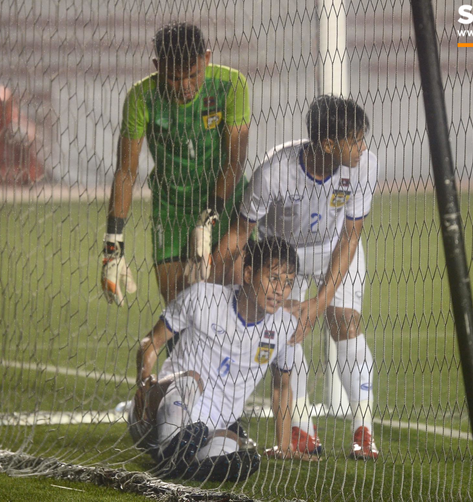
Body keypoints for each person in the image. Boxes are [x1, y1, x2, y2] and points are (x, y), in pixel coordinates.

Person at [213, 95, 380, 460]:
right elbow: (241, 233)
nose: (362, 147)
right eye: (355, 139)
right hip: (282, 254)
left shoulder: (365, 164)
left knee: (345, 321)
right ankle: (302, 427)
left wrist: (319, 302)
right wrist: (215, 274)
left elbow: (351, 235)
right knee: (287, 329)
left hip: (336, 248)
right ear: (327, 143)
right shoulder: (273, 173)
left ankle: (363, 429)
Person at [127, 238, 318, 481]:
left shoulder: (285, 327)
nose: (281, 290)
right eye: (273, 278)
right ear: (248, 274)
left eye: (288, 282)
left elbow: (282, 386)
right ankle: (171, 451)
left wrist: (283, 445)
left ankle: (186, 464)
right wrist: (144, 382)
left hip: (203, 431)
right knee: (191, 381)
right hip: (157, 412)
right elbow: (151, 342)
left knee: (232, 444)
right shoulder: (204, 298)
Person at [101, 22, 250, 306]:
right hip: (172, 208)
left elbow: (235, 161)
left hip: (224, 201)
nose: (185, 87)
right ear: (157, 67)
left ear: (206, 59)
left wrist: (208, 220)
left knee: (231, 299)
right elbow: (126, 172)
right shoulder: (140, 98)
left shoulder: (231, 86)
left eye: (193, 75)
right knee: (177, 304)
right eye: (173, 78)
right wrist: (112, 245)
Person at [0, 85, 45, 188]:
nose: (2, 107)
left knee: (31, 147)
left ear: (11, 103)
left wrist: (20, 135)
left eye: (5, 104)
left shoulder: (16, 117)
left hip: (16, 162)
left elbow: (32, 132)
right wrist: (4, 133)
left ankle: (26, 175)